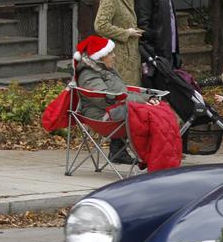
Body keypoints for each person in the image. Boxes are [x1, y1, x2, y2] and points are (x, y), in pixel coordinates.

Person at [73, 35, 181, 168]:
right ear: (100, 57)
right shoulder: (88, 74)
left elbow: (123, 92)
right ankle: (153, 158)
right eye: (110, 53)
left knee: (162, 109)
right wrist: (142, 102)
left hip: (117, 109)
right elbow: (106, 98)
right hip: (103, 117)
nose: (114, 56)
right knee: (150, 115)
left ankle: (163, 158)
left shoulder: (106, 71)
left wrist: (149, 98)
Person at [94, 0, 144, 86]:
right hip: (117, 60)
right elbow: (100, 26)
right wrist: (126, 33)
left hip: (131, 60)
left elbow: (126, 23)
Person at [136, 0, 179, 86]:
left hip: (170, 51)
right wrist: (152, 56)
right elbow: (143, 25)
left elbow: (170, 20)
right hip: (157, 55)